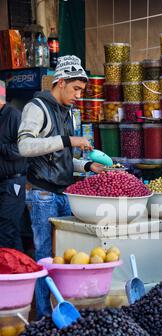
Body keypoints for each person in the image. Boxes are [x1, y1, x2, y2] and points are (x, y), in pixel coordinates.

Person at [18, 55, 103, 318]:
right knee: (44, 256)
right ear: (61, 82)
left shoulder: (68, 113)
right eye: (75, 89)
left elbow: (64, 159)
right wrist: (67, 140)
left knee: (68, 254)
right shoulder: (37, 108)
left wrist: (87, 167)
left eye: (81, 90)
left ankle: (63, 310)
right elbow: (25, 147)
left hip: (64, 193)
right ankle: (44, 316)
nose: (79, 95)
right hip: (42, 194)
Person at [0, 80, 27, 250]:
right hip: (3, 182)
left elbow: (24, 148)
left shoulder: (14, 116)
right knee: (9, 232)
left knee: (5, 232)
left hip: (12, 184)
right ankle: (20, 271)